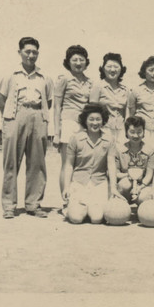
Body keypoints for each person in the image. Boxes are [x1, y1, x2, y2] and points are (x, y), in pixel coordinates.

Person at [0, 37, 53, 219]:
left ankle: (33, 204)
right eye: (27, 51)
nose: (31, 55)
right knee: (11, 162)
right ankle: (9, 206)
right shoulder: (10, 75)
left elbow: (49, 101)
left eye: (34, 52)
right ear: (19, 52)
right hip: (15, 117)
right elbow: (1, 100)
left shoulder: (45, 78)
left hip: (38, 117)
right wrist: (13, 118)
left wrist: (36, 116)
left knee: (37, 163)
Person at [63, 103, 113, 224]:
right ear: (85, 120)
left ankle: (89, 207)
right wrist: (66, 187)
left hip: (99, 183)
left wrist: (113, 189)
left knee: (97, 218)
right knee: (76, 218)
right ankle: (76, 207)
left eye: (98, 119)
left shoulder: (109, 140)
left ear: (103, 121)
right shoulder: (75, 139)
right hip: (79, 182)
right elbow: (69, 165)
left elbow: (111, 165)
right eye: (91, 119)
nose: (94, 123)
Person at [53, 45, 92, 200]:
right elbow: (56, 107)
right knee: (67, 164)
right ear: (68, 62)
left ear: (86, 62)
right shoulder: (64, 80)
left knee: (81, 164)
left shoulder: (90, 82)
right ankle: (65, 201)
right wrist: (56, 133)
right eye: (74, 59)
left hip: (85, 125)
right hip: (68, 123)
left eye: (81, 59)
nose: (78, 63)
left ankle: (79, 198)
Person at [108, 116, 154, 205]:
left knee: (144, 198)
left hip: (143, 186)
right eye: (132, 132)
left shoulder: (150, 151)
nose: (136, 135)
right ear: (126, 133)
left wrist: (140, 188)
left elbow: (149, 174)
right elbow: (116, 173)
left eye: (139, 132)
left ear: (144, 132)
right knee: (124, 184)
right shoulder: (119, 150)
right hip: (125, 186)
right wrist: (129, 175)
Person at [128, 56, 154, 149]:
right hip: (142, 131)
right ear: (144, 71)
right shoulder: (136, 90)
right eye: (151, 70)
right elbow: (132, 114)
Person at [89, 53, 129, 143]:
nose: (112, 69)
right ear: (103, 69)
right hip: (103, 130)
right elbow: (91, 112)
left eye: (116, 67)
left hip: (121, 131)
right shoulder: (97, 87)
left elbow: (126, 114)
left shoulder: (125, 90)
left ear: (121, 69)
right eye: (109, 66)